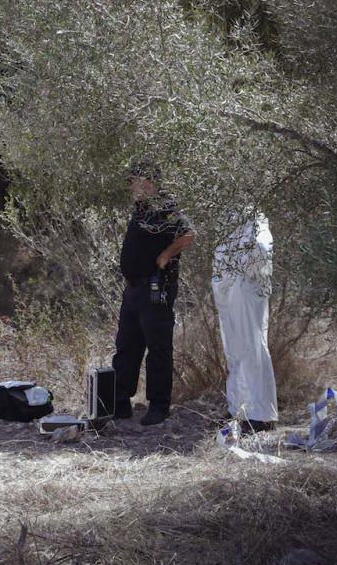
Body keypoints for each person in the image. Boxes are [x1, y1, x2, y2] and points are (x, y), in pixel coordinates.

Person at [112, 160, 195, 426]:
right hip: (134, 288)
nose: (131, 187)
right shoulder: (142, 209)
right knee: (127, 345)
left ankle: (159, 406)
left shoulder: (163, 207)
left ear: (148, 182)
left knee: (158, 348)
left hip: (155, 288)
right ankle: (120, 401)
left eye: (135, 181)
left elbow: (189, 233)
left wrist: (165, 255)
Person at [211, 210, 277, 433]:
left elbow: (260, 251)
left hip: (246, 293)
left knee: (253, 351)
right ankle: (239, 409)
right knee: (235, 352)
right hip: (231, 295)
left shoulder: (254, 220)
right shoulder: (227, 218)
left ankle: (260, 415)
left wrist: (240, 273)